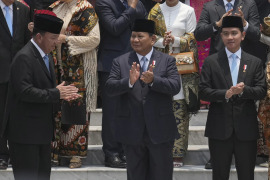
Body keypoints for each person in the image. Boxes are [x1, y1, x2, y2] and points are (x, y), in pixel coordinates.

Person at [2, 10, 81, 180]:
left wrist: (62, 94)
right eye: (53, 38)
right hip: (25, 135)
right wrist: (56, 93)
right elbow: (25, 92)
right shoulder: (24, 57)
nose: (56, 42)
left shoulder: (44, 55)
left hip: (41, 133)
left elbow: (44, 88)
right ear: (39, 37)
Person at [105, 19, 180, 180]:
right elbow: (109, 88)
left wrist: (154, 80)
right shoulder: (120, 61)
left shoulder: (167, 61)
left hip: (160, 131)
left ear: (152, 39)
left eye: (140, 36)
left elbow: (175, 86)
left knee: (162, 175)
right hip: (132, 131)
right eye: (133, 36)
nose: (135, 40)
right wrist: (129, 82)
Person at [194, 0, 261, 169]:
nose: (230, 36)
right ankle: (219, 154)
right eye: (227, 33)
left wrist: (244, 23)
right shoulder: (210, 6)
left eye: (234, 33)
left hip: (246, 63)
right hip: (218, 62)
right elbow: (199, 33)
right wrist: (217, 25)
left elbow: (257, 34)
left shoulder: (249, 4)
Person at [48, 0, 100, 168]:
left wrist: (66, 39)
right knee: (56, 108)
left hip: (78, 67)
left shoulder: (86, 9)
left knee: (76, 106)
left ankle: (75, 155)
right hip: (55, 65)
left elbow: (95, 39)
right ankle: (55, 152)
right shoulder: (56, 7)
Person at [95, 0, 147, 168]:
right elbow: (115, 27)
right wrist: (131, 7)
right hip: (111, 64)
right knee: (112, 111)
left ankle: (126, 150)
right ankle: (111, 153)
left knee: (131, 109)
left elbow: (144, 25)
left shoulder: (137, 3)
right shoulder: (104, 3)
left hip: (134, 62)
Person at [148, 0, 198, 167]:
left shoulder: (188, 10)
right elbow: (147, 37)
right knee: (159, 106)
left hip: (181, 65)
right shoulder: (155, 10)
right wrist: (163, 41)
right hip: (159, 63)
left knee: (179, 107)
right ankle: (158, 149)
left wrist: (175, 40)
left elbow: (192, 38)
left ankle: (177, 152)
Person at [0, 0, 31, 170]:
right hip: (1, 72)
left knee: (18, 115)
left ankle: (17, 153)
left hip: (19, 72)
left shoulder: (23, 9)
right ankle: (2, 154)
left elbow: (27, 41)